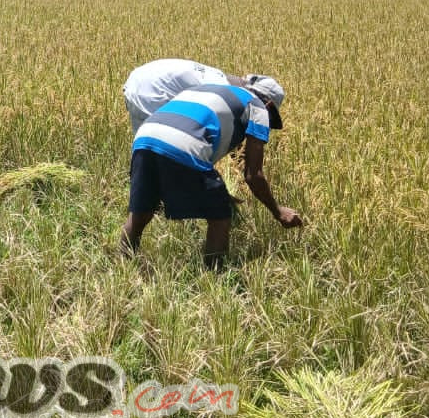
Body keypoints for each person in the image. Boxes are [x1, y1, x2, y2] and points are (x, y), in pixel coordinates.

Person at [121, 76, 302, 270]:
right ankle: (215, 277)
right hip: (184, 145)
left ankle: (123, 268)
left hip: (145, 136)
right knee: (220, 215)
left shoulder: (210, 89)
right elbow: (253, 175)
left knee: (141, 211)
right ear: (269, 104)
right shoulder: (258, 107)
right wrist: (278, 211)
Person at [123, 58, 262, 131]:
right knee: (167, 149)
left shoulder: (217, 76)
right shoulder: (223, 92)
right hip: (152, 94)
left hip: (137, 84)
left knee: (144, 151)